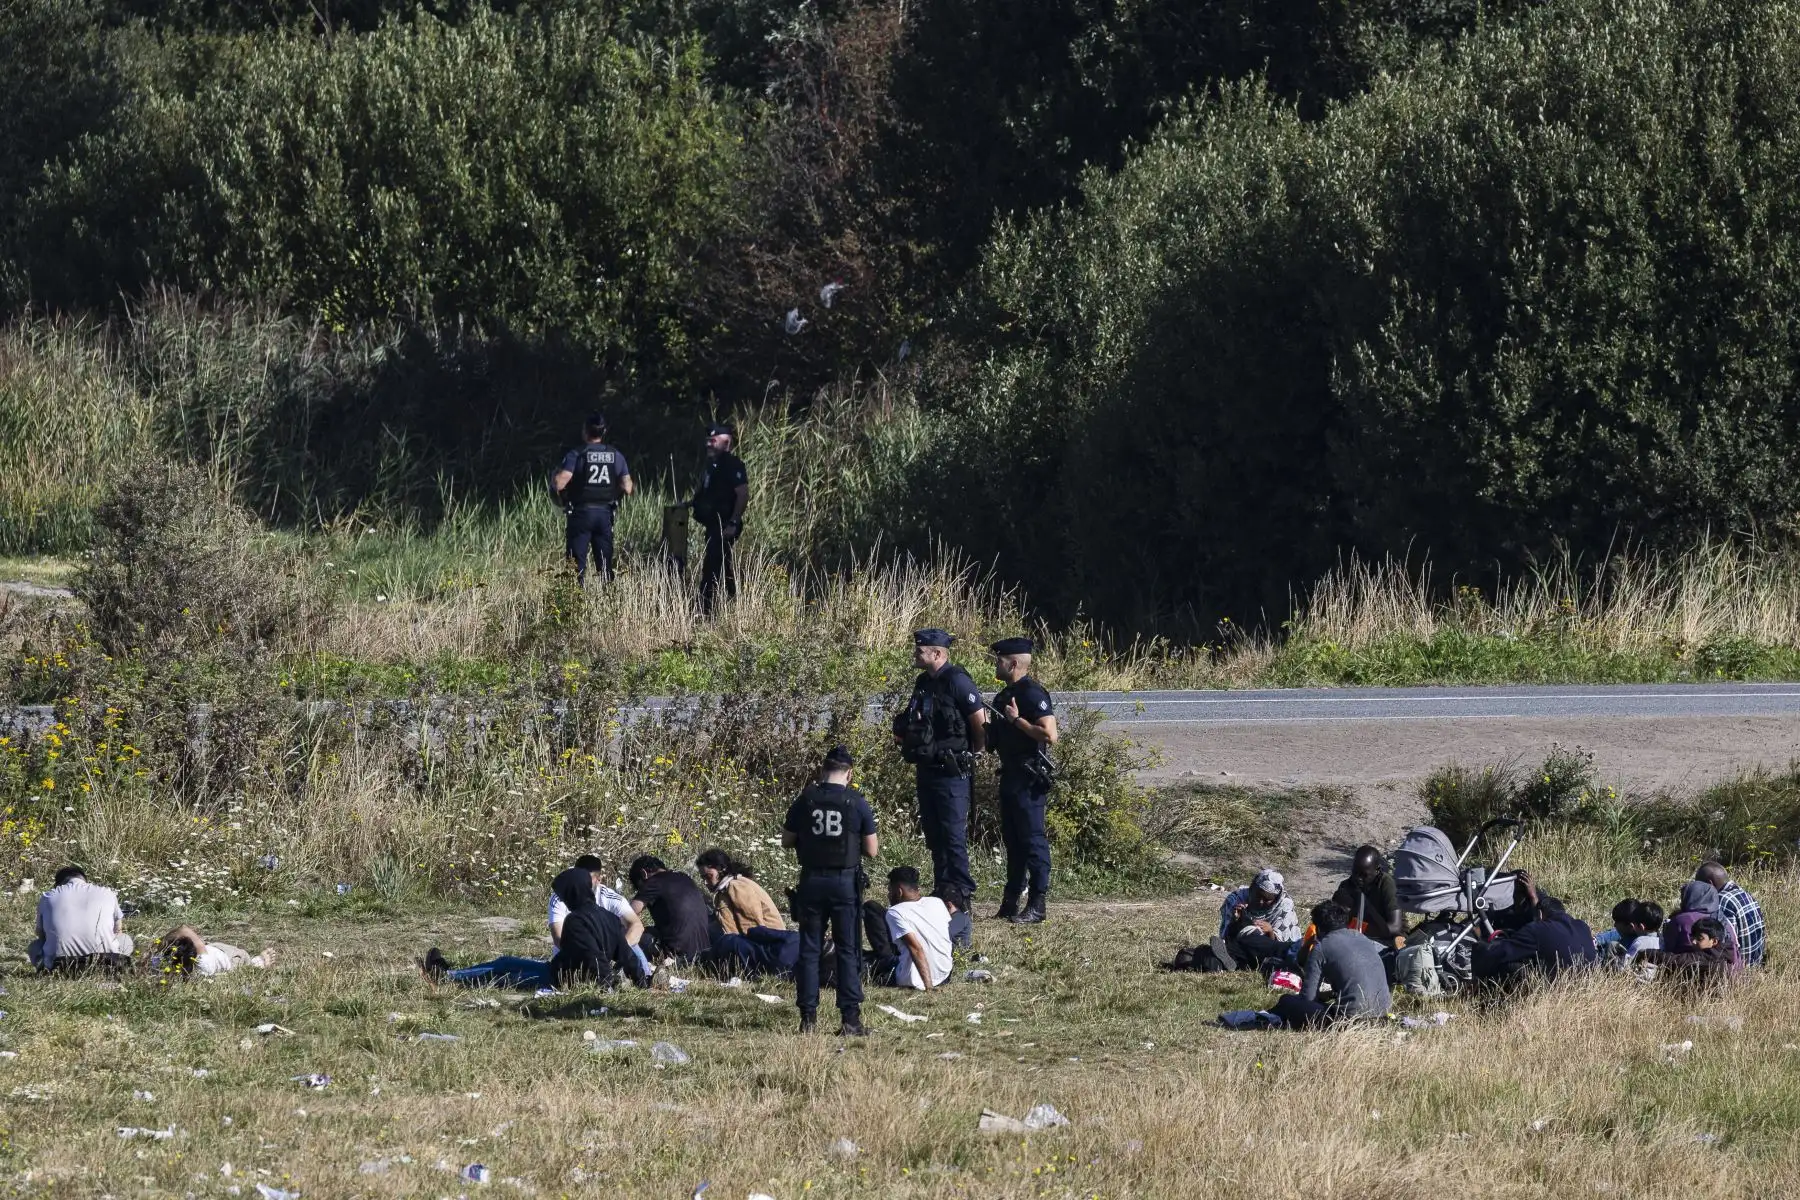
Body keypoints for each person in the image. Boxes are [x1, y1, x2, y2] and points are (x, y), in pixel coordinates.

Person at [783, 744, 879, 1035]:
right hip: (844, 884)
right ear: (849, 774)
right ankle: (850, 1018)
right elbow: (872, 850)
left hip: (812, 881)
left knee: (810, 949)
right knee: (848, 949)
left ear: (822, 771)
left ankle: (808, 1018)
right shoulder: (856, 802)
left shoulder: (806, 800)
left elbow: (787, 841)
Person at [892, 629, 986, 907]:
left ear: (937, 654)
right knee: (934, 833)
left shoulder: (957, 681)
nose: (915, 654)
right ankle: (943, 888)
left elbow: (978, 720)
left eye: (920, 651)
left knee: (953, 834)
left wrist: (976, 753)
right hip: (927, 767)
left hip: (952, 770)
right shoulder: (923, 682)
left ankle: (961, 893)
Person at [987, 637, 1058, 924]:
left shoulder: (1031, 693)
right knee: (1013, 842)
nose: (996, 663)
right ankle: (1011, 901)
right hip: (1010, 776)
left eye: (1000, 659)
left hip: (1029, 779)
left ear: (1013, 663)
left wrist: (1018, 721)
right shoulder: (1003, 696)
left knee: (1032, 841)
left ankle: (1038, 904)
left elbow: (1049, 734)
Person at [1271, 902, 1392, 1029]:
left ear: (1317, 928)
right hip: (1381, 1018)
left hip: (1350, 1022)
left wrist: (1308, 945)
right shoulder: (1363, 938)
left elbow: (1308, 998)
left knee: (1286, 1001)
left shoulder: (1321, 948)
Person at [1471, 870, 1598, 989]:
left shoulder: (1540, 929)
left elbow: (1500, 952)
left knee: (1510, 966)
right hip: (1586, 986)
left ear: (1540, 913)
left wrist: (1478, 945)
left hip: (1555, 987)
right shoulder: (1582, 925)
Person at [549, 412, 633, 585]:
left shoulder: (577, 454)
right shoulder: (615, 455)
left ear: (585, 431)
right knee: (605, 565)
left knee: (575, 567)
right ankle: (608, 599)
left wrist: (554, 478)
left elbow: (559, 483)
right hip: (604, 515)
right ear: (603, 432)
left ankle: (574, 603)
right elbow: (628, 486)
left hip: (581, 514)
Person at [546, 867, 651, 990]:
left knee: (521, 968)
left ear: (572, 893)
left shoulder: (574, 920)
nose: (563, 900)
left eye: (564, 896)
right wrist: (641, 980)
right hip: (598, 976)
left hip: (575, 979)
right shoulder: (609, 916)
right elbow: (626, 954)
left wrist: (605, 984)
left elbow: (591, 955)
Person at [863, 867, 958, 990]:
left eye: (889, 890)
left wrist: (928, 986)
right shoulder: (937, 902)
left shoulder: (895, 912)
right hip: (944, 974)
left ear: (899, 891)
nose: (888, 895)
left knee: (871, 908)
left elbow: (916, 949)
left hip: (915, 978)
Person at [691, 423, 749, 614]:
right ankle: (733, 601)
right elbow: (703, 491)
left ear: (726, 442)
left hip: (725, 524)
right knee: (722, 563)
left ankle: (703, 608)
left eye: (713, 441)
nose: (709, 444)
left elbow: (742, 494)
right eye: (707, 440)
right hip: (712, 523)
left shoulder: (733, 465)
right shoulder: (711, 466)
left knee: (712, 564)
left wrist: (733, 522)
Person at [30, 866, 134, 973]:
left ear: (58, 884)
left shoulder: (48, 897)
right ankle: (117, 969)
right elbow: (118, 931)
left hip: (60, 965)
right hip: (107, 961)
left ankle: (46, 970)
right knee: (126, 940)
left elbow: (41, 935)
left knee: (35, 946)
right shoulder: (108, 893)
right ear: (84, 880)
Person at [1211, 868, 1302, 972]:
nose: (1261, 902)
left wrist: (1270, 932)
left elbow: (1285, 944)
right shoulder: (1236, 899)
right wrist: (1235, 920)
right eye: (1258, 895)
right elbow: (1225, 936)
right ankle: (1233, 959)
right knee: (1205, 954)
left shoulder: (1284, 905)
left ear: (1276, 899)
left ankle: (1235, 959)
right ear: (1252, 888)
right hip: (1242, 945)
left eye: (1267, 900)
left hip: (1270, 952)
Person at [628, 855, 714, 965]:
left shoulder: (653, 882)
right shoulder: (685, 877)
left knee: (640, 934)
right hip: (703, 953)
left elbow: (627, 913)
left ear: (644, 874)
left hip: (678, 955)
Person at [1331, 845, 1407, 949]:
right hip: (1358, 937)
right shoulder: (1346, 887)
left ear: (1377, 870)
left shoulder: (1386, 884)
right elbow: (1334, 922)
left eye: (1364, 875)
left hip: (1389, 940)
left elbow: (1395, 927)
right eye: (1355, 872)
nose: (1358, 878)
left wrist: (1358, 928)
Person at [1661, 880, 1742, 974]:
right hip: (1731, 972)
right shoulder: (1722, 917)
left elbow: (1669, 948)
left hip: (1694, 970)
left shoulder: (1681, 920)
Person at [1696, 861, 1765, 967]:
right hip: (1756, 962)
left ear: (1710, 884)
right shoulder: (1744, 893)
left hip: (1741, 968)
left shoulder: (1721, 901)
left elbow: (1727, 943)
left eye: (1700, 886)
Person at [1638, 916, 1733, 989]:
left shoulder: (1709, 957)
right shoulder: (1725, 953)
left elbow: (1676, 960)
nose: (1693, 942)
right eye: (1693, 937)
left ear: (1714, 941)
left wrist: (1645, 953)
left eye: (1700, 938)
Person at [156, 926, 273, 977]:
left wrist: (157, 948)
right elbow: (184, 929)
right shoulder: (204, 962)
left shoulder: (176, 970)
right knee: (247, 965)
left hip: (214, 951)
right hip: (231, 956)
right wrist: (162, 942)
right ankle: (259, 962)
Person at [1596, 899, 1663, 975]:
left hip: (1635, 975)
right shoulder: (1661, 940)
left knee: (1612, 946)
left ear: (1641, 927)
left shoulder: (1640, 942)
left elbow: (1626, 965)